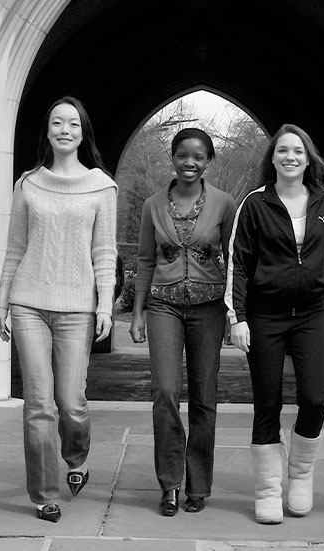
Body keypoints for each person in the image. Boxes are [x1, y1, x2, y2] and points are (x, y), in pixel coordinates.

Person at [0, 96, 117, 523]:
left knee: (71, 402)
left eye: (72, 124)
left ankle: (77, 457)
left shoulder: (102, 186)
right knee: (38, 404)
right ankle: (45, 492)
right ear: (47, 131)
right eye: (56, 123)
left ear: (83, 133)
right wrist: (2, 301)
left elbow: (105, 252)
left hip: (77, 307)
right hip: (29, 302)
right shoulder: (28, 183)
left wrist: (105, 304)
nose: (64, 130)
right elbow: (15, 248)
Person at [225, 123, 324, 524]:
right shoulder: (256, 204)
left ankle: (301, 476)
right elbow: (238, 264)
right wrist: (238, 318)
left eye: (298, 151)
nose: (290, 157)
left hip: (311, 313)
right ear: (272, 158)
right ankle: (267, 491)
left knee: (314, 399)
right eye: (283, 151)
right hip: (265, 316)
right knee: (268, 402)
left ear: (308, 158)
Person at [129, 128, 237, 517]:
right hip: (163, 306)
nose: (189, 163)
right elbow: (144, 260)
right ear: (172, 158)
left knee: (205, 398)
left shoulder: (225, 204)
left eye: (198, 157)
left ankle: (199, 485)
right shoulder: (153, 205)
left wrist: (233, 312)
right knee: (165, 392)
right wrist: (138, 312)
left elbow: (234, 262)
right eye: (182, 155)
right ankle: (170, 483)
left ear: (209, 161)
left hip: (209, 309)